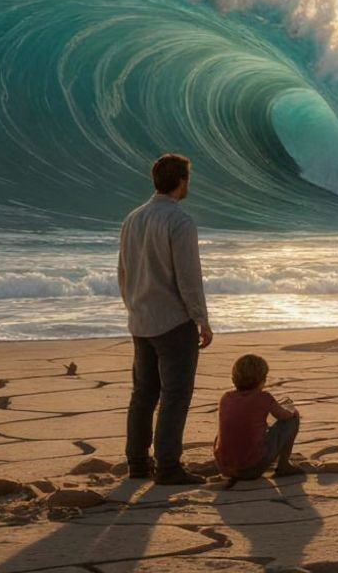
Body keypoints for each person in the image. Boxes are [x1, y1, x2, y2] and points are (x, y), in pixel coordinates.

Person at [119, 153, 213, 485]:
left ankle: (137, 463)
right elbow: (189, 277)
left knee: (143, 394)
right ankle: (168, 466)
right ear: (181, 181)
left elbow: (123, 271)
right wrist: (201, 318)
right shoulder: (180, 221)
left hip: (140, 319)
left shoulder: (133, 218)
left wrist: (132, 307)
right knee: (175, 394)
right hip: (172, 321)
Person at [215, 354, 302, 486]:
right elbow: (285, 416)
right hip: (252, 469)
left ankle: (233, 459)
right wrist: (289, 408)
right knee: (293, 418)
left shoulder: (226, 397)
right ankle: (284, 465)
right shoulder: (264, 397)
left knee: (235, 427)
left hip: (224, 468)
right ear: (262, 380)